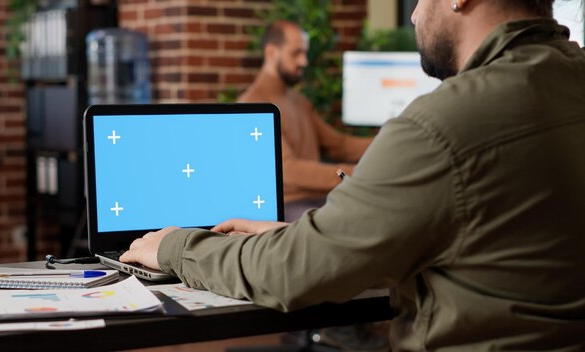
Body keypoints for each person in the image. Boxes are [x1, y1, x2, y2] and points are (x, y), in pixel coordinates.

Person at [121, 0, 585, 350]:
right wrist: (351, 206)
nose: (412, 14)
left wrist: (175, 245)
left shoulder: (442, 125)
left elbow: (295, 272)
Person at [237, 20, 373, 222]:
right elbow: (287, 170)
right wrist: (354, 174)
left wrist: (391, 140)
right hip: (289, 206)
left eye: (304, 53)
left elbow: (339, 145)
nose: (304, 61)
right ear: (272, 53)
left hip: (319, 199)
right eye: (296, 53)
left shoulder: (298, 101)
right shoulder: (251, 105)